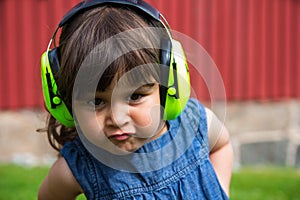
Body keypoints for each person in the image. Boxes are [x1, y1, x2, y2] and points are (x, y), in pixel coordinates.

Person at [38, 0, 233, 199]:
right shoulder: (81, 167)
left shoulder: (195, 125)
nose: (118, 118)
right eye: (96, 102)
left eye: (135, 96)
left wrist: (220, 191)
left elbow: (222, 146)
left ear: (166, 88)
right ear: (66, 104)